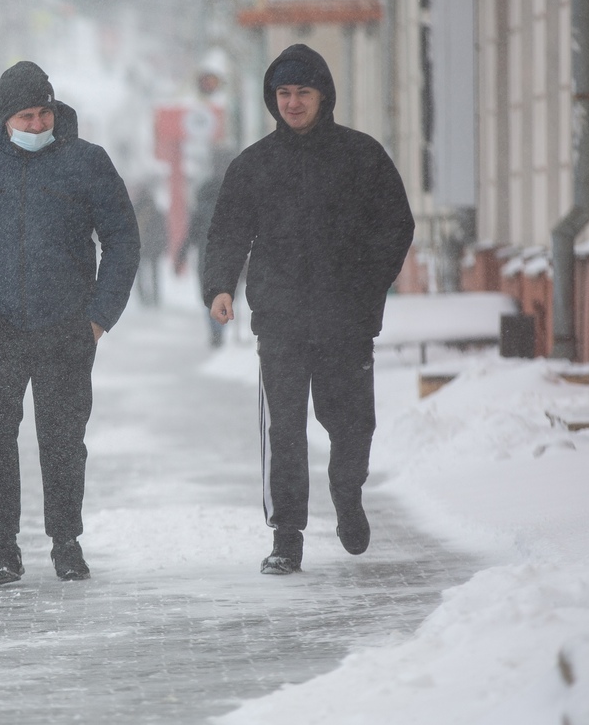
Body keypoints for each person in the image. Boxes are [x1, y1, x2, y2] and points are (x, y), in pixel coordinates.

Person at [0, 61, 141, 587]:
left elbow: (123, 240)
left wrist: (98, 317)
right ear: (3, 118)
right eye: (27, 116)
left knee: (64, 439)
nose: (39, 125)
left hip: (67, 327)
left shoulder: (87, 162)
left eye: (45, 113)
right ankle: (2, 546)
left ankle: (67, 543)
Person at [201, 43, 414, 573]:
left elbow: (396, 226)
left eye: (303, 92)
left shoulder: (361, 156)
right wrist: (219, 287)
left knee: (351, 426)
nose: (293, 103)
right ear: (273, 100)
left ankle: (347, 495)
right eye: (284, 93)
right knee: (285, 431)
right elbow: (228, 231)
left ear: (324, 96)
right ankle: (287, 535)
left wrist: (366, 286)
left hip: (347, 319)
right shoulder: (254, 165)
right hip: (280, 321)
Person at [175, 148, 232, 347]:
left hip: (206, 255)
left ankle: (216, 329)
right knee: (223, 292)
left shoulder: (205, 195)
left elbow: (191, 232)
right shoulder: (233, 192)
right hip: (225, 254)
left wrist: (181, 255)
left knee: (209, 294)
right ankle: (219, 329)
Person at [131, 183, 167, 307]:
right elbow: (162, 229)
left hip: (140, 246)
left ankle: (143, 297)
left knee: (140, 273)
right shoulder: (155, 209)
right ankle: (155, 297)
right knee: (154, 273)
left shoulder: (135, 209)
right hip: (154, 246)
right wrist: (162, 244)